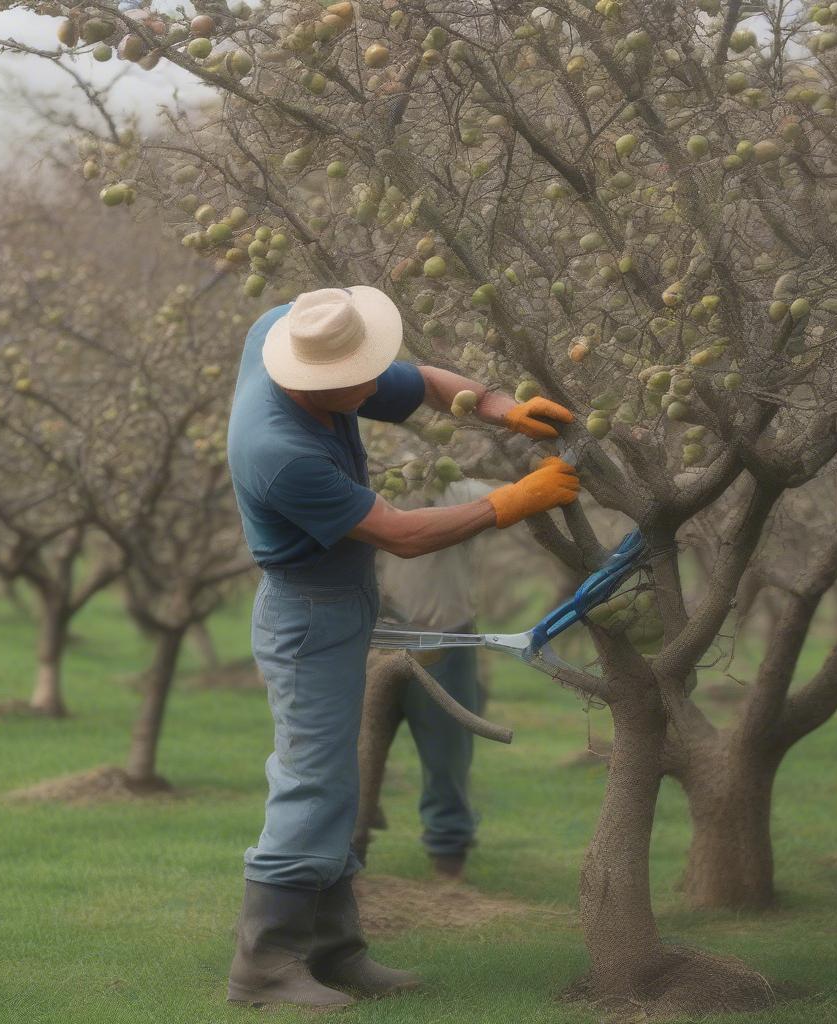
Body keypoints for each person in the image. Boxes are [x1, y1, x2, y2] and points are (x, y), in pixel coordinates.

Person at [225, 286, 578, 1009]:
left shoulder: (290, 338)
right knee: (311, 782)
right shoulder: (280, 450)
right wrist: (513, 501)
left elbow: (426, 383)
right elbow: (402, 535)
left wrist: (500, 405)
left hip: (336, 599)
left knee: (335, 782)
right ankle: (263, 967)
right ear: (317, 382)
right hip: (308, 613)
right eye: (365, 374)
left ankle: (333, 950)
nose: (379, 382)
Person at [375, 475, 495, 881]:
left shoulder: (456, 491)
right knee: (354, 752)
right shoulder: (364, 490)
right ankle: (346, 859)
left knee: (448, 756)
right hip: (373, 642)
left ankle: (448, 865)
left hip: (444, 637)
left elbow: (505, 504)